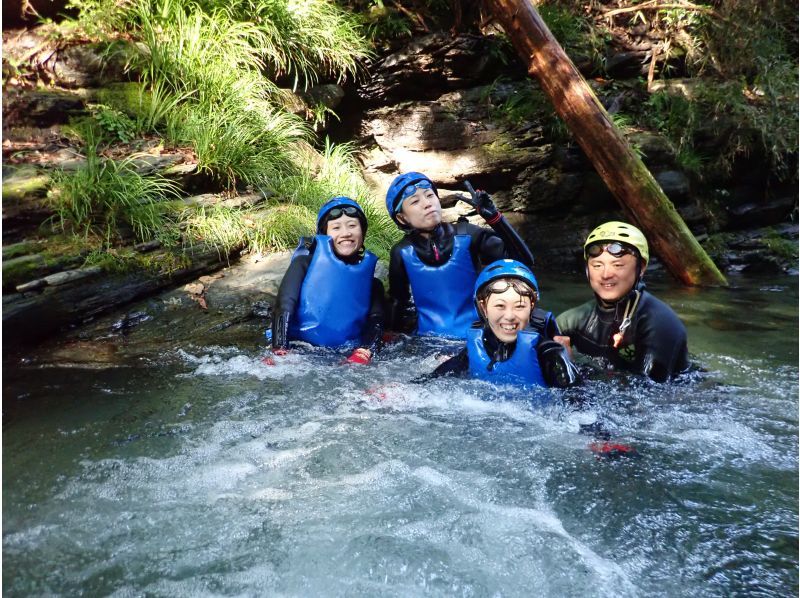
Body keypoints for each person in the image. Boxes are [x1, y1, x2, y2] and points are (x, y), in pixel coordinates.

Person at [385, 172, 535, 339]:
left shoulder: (467, 235)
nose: (427, 204)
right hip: (427, 342)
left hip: (478, 337)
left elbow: (523, 263)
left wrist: (494, 218)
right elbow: (398, 304)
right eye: (415, 201)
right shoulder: (401, 252)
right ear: (402, 217)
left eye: (430, 196)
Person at [555, 221, 689, 382]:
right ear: (587, 269)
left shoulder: (660, 323)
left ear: (642, 267)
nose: (606, 274)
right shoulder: (574, 320)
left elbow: (649, 395)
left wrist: (574, 373)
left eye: (618, 265)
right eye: (597, 265)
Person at [420, 259, 580, 389]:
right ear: (483, 307)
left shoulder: (550, 354)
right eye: (500, 306)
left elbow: (580, 404)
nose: (509, 316)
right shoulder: (475, 350)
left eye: (519, 306)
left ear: (531, 307)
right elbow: (427, 384)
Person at [267, 197, 384, 365]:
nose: (346, 233)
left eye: (352, 226)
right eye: (336, 227)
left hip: (345, 353)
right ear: (324, 235)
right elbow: (284, 305)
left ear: (363, 233)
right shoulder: (303, 265)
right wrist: (279, 349)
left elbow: (377, 322)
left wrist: (364, 352)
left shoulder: (373, 284)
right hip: (299, 348)